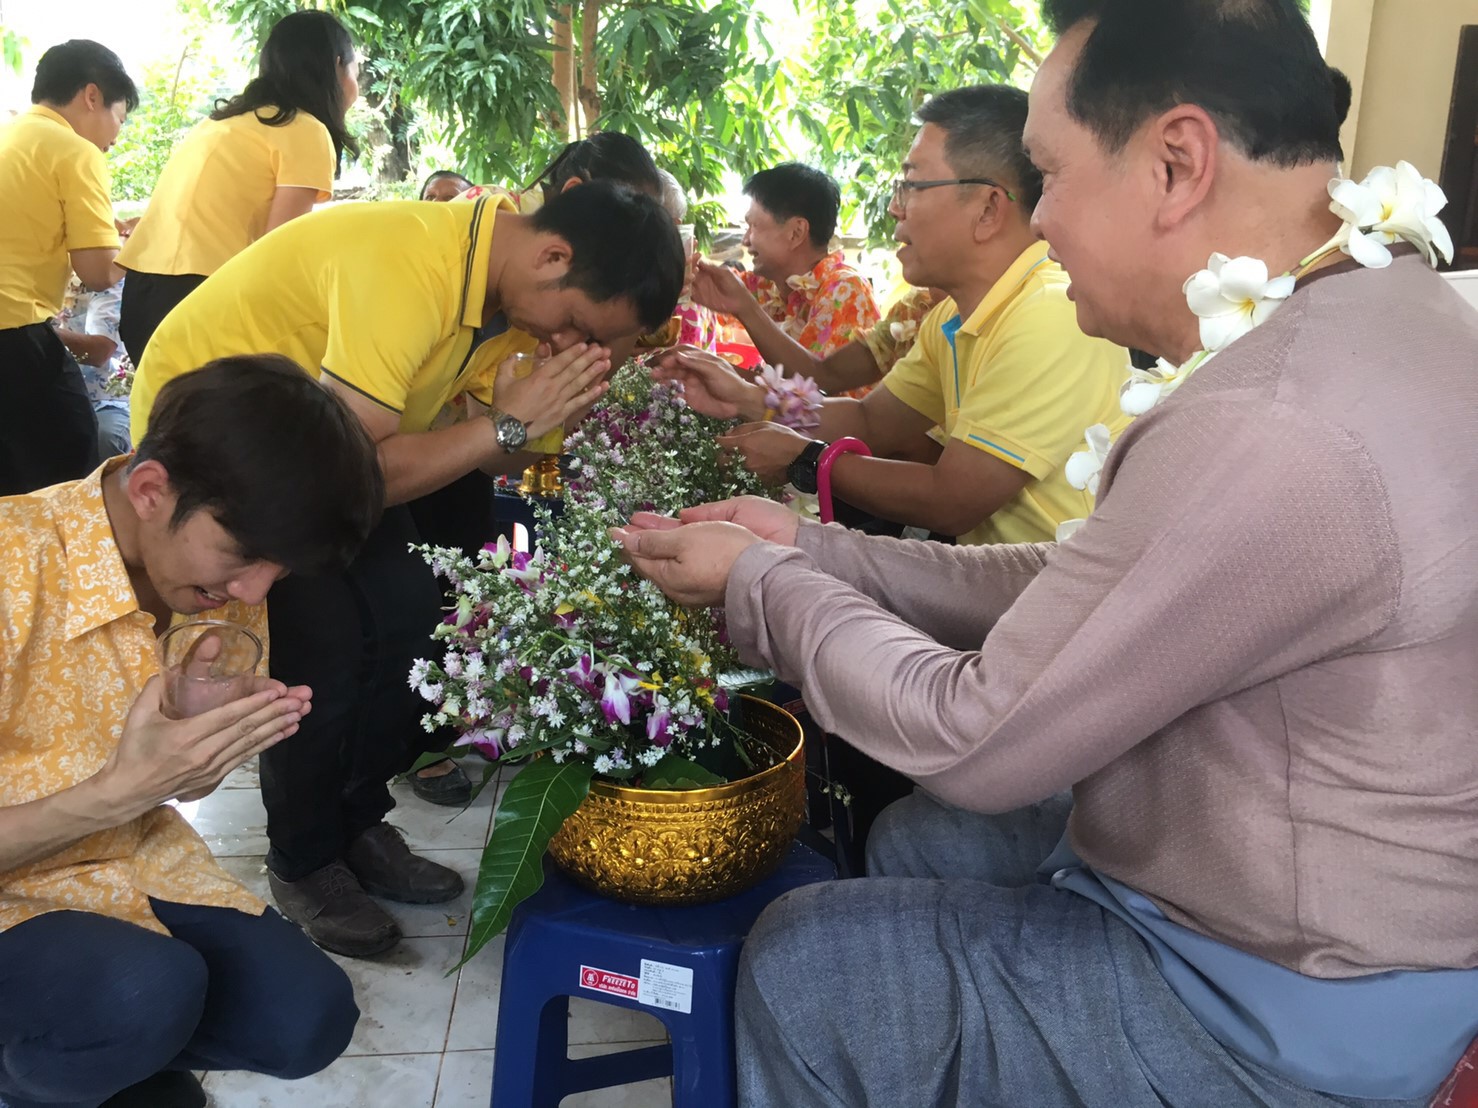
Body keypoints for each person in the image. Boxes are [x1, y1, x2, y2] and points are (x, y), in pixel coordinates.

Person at [610, 0, 1478, 1104]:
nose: (1043, 221)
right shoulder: (1372, 313)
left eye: (1052, 175)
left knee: (803, 966)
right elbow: (1089, 579)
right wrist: (816, 549)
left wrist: (759, 580)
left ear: (1176, 163)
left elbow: (974, 738)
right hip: (1270, 895)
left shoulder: (1274, 418)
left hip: (1281, 997)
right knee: (922, 846)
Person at [131, 182, 685, 957]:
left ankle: (356, 824)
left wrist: (549, 409)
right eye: (579, 325)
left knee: (411, 619)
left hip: (326, 458)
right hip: (221, 456)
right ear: (553, 257)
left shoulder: (505, 306)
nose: (570, 341)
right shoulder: (409, 263)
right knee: (324, 645)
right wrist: (510, 421)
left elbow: (491, 455)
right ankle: (303, 860)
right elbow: (346, 482)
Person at [0, 355, 381, 1108]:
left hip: (125, 862)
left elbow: (173, 785)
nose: (254, 589)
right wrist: (118, 792)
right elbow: (126, 792)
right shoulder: (14, 564)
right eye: (243, 557)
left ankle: (108, 1051)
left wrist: (195, 756)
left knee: (308, 1018)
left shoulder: (216, 581)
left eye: (279, 570)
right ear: (151, 490)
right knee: (145, 993)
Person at [659, 86, 1129, 548]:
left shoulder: (1048, 312)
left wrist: (806, 459)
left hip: (1063, 588)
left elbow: (953, 499)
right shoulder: (951, 317)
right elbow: (869, 420)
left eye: (912, 185)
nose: (893, 207)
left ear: (988, 209)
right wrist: (749, 399)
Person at [116, 10, 359, 365]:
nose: (357, 86)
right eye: (356, 71)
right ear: (337, 65)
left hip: (141, 296)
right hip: (201, 297)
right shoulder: (305, 130)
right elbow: (278, 252)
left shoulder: (223, 121)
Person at [0, 39, 135, 496]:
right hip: (14, 337)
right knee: (70, 473)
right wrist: (146, 243)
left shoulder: (12, 137)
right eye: (120, 117)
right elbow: (99, 272)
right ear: (92, 95)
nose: (115, 136)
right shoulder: (75, 150)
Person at [695, 162, 879, 373]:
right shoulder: (771, 286)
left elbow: (812, 388)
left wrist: (717, 370)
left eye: (754, 226)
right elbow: (716, 283)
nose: (745, 240)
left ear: (796, 233)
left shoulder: (845, 291)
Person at [52, 272, 132, 459]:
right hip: (54, 395)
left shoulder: (113, 283)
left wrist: (38, 331)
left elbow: (100, 352)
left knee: (104, 438)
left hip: (108, 400)